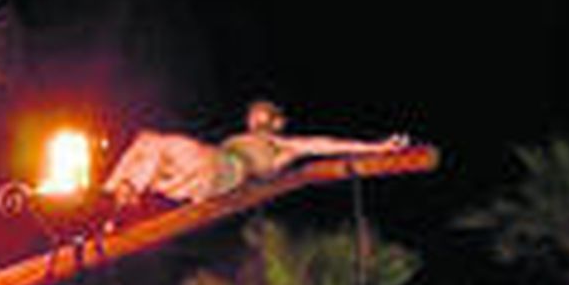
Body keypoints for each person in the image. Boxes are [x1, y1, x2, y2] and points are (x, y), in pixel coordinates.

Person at [103, 100, 409, 208]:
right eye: (254, 115)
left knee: (154, 142)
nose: (256, 119)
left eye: (263, 114)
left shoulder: (283, 146)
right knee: (146, 142)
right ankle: (113, 190)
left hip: (224, 169)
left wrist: (378, 148)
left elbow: (326, 145)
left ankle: (125, 188)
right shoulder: (242, 138)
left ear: (275, 122)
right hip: (197, 182)